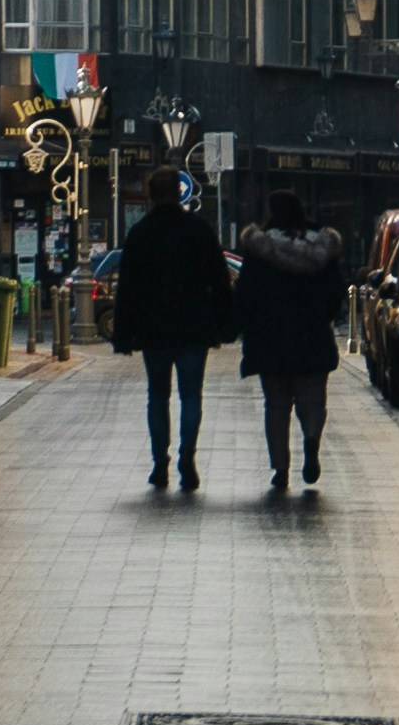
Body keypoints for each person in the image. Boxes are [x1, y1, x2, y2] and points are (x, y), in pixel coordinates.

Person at [109, 167, 234, 490]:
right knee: (192, 395)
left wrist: (124, 333)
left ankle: (159, 463)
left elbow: (128, 288)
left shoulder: (141, 232)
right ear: (178, 192)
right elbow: (219, 279)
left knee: (157, 396)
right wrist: (226, 322)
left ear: (151, 194)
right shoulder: (198, 229)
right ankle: (187, 457)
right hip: (194, 327)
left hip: (155, 329)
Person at [236, 190, 347, 494]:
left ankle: (281, 468)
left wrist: (245, 324)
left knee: (276, 405)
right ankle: (311, 440)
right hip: (312, 335)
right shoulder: (320, 245)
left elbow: (246, 293)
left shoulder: (261, 248)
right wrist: (323, 316)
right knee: (313, 400)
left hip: (271, 338)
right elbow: (336, 291)